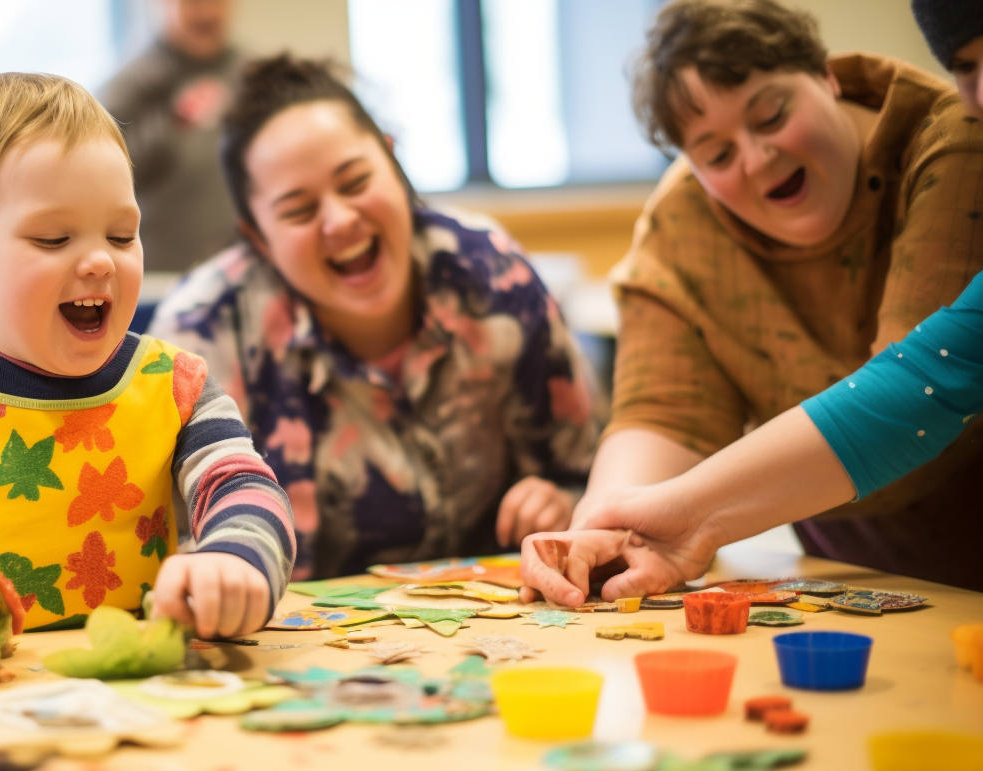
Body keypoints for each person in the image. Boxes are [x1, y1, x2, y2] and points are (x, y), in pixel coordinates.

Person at [520, 0, 983, 606]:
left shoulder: (960, 144)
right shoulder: (682, 221)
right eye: (716, 155)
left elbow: (922, 388)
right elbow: (665, 412)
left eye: (771, 115)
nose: (757, 156)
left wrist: (694, 514)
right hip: (847, 565)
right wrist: (604, 535)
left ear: (826, 74)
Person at [0, 73, 294, 640]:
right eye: (52, 239)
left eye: (121, 236)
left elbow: (243, 484)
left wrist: (237, 558)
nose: (100, 262)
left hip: (136, 689)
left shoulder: (175, 384)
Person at [146, 56, 599, 581]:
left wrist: (561, 502)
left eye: (356, 180)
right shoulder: (201, 336)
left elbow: (588, 472)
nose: (340, 220)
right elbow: (171, 548)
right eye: (298, 210)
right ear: (256, 235)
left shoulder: (493, 276)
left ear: (392, 158)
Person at [101, 0, 241, 272]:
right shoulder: (130, 84)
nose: (207, 14)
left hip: (239, 271)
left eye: (218, 3)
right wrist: (171, 123)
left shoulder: (251, 73)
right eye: (193, 4)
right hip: (159, 279)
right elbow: (101, 174)